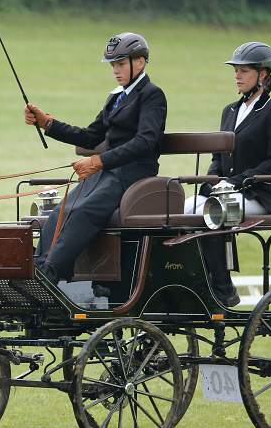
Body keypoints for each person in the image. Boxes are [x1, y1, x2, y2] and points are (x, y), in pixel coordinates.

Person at [24, 32, 167, 284]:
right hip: (107, 172)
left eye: (121, 64)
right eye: (113, 65)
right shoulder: (115, 98)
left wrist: (99, 161)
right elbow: (90, 137)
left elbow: (145, 141)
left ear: (141, 62)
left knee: (83, 211)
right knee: (62, 210)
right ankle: (36, 269)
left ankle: (51, 275)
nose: (116, 70)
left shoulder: (152, 95)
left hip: (134, 175)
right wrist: (48, 123)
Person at [185, 42, 271, 306]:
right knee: (184, 209)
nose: (237, 76)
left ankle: (223, 288)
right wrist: (211, 181)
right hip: (226, 191)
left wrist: (236, 183)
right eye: (236, 71)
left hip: (259, 194)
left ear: (263, 75)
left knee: (211, 211)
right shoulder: (229, 111)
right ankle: (197, 280)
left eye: (244, 71)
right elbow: (217, 157)